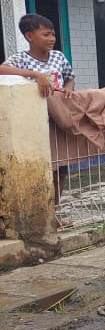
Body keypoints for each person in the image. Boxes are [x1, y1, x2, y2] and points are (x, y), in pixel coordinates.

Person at [1, 14, 77, 226]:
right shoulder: (21, 59)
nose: (51, 38)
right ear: (29, 36)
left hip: (58, 120)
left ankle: (53, 214)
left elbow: (69, 77)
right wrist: (35, 75)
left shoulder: (59, 57)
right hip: (34, 123)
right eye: (46, 34)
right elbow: (2, 69)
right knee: (42, 169)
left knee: (60, 170)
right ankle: (38, 216)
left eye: (52, 33)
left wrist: (67, 91)